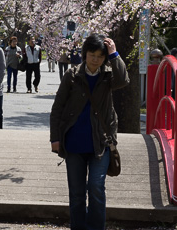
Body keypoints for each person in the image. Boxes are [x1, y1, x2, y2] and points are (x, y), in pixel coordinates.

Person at [50, 34, 128, 230]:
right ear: (85, 54)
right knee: (76, 193)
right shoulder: (72, 75)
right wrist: (55, 138)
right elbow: (57, 108)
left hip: (100, 141)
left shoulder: (108, 75)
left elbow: (123, 80)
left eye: (100, 56)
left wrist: (114, 54)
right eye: (92, 55)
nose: (95, 60)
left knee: (96, 187)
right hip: (74, 141)